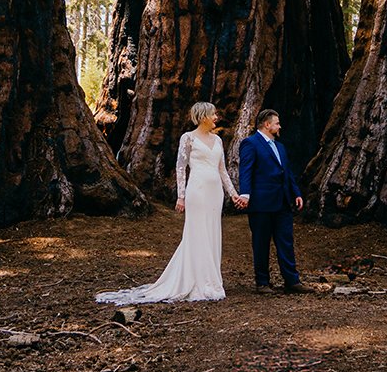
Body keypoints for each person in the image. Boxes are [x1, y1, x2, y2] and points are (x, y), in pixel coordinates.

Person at [95, 102, 243, 304]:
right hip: (197, 191)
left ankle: (212, 280)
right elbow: (181, 168)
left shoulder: (217, 140)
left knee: (212, 232)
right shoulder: (188, 138)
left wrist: (233, 194)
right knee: (196, 232)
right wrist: (180, 196)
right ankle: (195, 280)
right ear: (202, 117)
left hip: (215, 192)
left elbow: (223, 171)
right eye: (213, 114)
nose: (216, 117)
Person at [236, 109, 307, 294]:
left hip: (282, 201)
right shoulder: (250, 143)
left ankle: (292, 281)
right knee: (261, 242)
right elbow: (246, 171)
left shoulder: (280, 147)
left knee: (286, 241)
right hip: (261, 203)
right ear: (267, 125)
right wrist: (245, 194)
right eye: (277, 123)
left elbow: (287, 172)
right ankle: (262, 282)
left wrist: (296, 193)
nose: (279, 126)